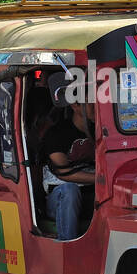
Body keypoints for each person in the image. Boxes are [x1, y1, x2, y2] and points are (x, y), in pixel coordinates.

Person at [42, 100, 95, 240]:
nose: (97, 106)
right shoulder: (57, 133)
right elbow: (65, 173)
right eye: (92, 103)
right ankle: (68, 244)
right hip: (61, 200)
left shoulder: (102, 131)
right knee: (69, 190)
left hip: (91, 198)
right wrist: (100, 178)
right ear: (75, 106)